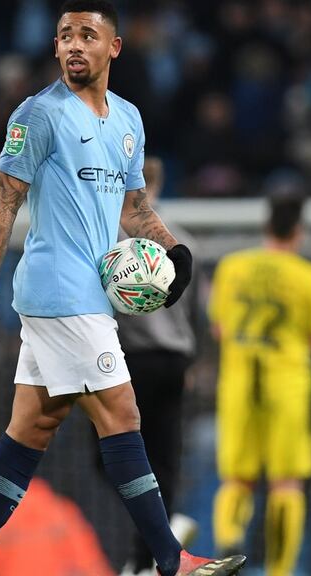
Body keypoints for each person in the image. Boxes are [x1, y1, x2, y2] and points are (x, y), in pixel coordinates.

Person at [0, 2, 246, 575]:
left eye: (87, 35)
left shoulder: (129, 120)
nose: (73, 45)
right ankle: (169, 558)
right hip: (61, 290)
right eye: (64, 36)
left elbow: (134, 208)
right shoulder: (38, 114)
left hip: (89, 293)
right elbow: (3, 201)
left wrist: (174, 251)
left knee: (30, 429)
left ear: (114, 46)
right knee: (123, 412)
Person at [210, 194, 311, 576]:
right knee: (286, 484)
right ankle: (279, 570)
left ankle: (229, 542)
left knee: (237, 478)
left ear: (265, 228)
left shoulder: (232, 267)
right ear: (299, 231)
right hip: (288, 386)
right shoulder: (309, 276)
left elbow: (218, 328)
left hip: (240, 382)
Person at [114, 156, 201, 576]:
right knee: (162, 454)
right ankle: (158, 536)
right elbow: (197, 313)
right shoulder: (183, 242)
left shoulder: (117, 244)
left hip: (135, 360)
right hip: (176, 359)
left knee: (117, 454)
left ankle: (154, 536)